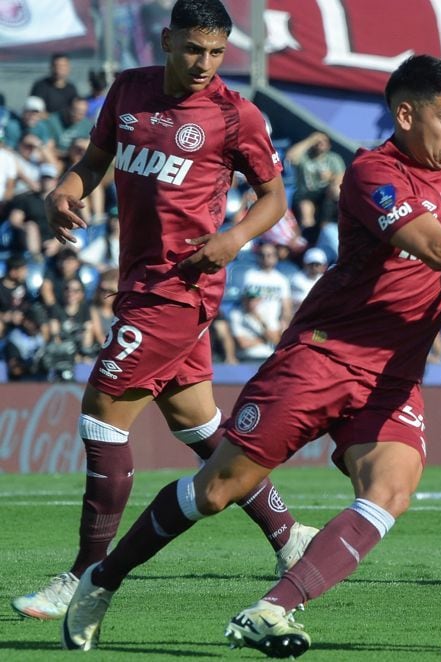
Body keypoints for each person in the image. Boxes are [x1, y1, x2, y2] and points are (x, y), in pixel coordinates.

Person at [58, 52, 441, 654]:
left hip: (393, 376)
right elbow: (439, 249)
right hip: (320, 359)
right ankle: (101, 579)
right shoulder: (373, 174)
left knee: (390, 490)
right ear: (405, 114)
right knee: (216, 491)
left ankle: (272, 609)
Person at [11, 0, 318, 623]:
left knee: (102, 414)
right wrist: (66, 190)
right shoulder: (128, 91)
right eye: (193, 49)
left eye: (216, 52)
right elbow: (95, 160)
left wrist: (233, 238)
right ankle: (291, 538)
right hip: (139, 282)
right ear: (167, 40)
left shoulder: (236, 116)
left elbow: (274, 195)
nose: (204, 64)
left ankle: (83, 577)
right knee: (199, 427)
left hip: (180, 289)